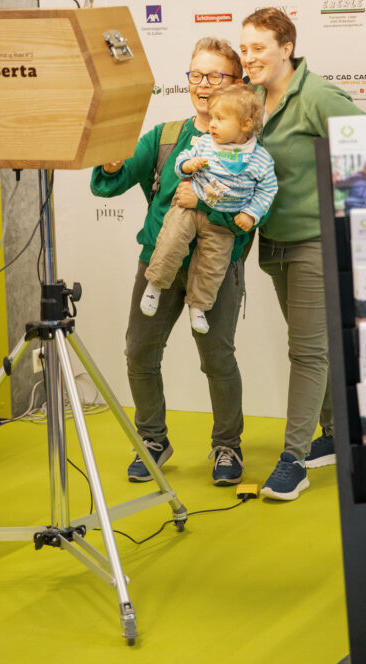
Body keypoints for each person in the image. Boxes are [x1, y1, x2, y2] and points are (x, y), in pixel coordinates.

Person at [90, 38, 256, 486]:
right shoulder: (164, 137)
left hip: (215, 269)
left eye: (216, 76)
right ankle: (152, 440)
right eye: (196, 75)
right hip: (158, 266)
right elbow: (108, 184)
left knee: (217, 359)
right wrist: (111, 165)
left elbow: (251, 214)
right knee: (140, 354)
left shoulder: (248, 147)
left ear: (236, 82)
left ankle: (227, 445)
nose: (203, 85)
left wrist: (205, 203)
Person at [239, 7, 365, 501]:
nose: (248, 57)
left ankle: (293, 460)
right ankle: (334, 433)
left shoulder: (316, 96)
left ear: (286, 48)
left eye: (258, 48)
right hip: (273, 242)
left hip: (316, 241)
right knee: (317, 345)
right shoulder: (251, 98)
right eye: (244, 49)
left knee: (308, 352)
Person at [141, 85, 277, 334]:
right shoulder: (205, 143)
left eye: (220, 119)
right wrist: (187, 165)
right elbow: (181, 161)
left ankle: (198, 307)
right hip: (188, 211)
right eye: (212, 118)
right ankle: (155, 285)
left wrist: (251, 213)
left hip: (222, 223)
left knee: (213, 264)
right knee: (171, 241)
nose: (212, 124)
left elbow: (267, 190)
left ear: (246, 124)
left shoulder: (260, 159)